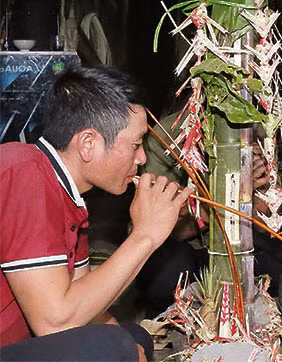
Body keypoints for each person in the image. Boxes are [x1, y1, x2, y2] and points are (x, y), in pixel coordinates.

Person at [0, 65, 191, 361]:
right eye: (137, 144)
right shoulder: (25, 172)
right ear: (88, 144)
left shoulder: (68, 197)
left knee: (133, 337)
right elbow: (55, 321)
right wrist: (146, 236)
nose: (141, 159)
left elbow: (83, 302)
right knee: (112, 346)